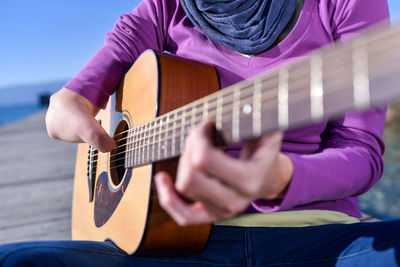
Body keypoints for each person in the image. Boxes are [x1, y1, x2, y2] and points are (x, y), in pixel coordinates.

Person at [1, 0, 400, 266]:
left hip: (316, 235)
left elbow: (362, 153)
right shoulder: (165, 8)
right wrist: (72, 111)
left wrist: (282, 177)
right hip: (168, 239)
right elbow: (66, 107)